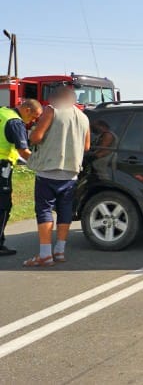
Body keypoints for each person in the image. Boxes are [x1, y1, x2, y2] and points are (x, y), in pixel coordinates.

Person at [23, 87, 90, 267]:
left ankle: (45, 255)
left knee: (44, 210)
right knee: (64, 210)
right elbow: (86, 147)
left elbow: (37, 137)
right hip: (71, 172)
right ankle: (59, 251)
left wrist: (33, 133)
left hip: (49, 169)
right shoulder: (84, 117)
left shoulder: (52, 110)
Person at [0, 99, 43, 256]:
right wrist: (41, 165)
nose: (33, 121)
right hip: (2, 167)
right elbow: (23, 151)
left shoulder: (3, 112)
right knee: (3, 205)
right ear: (27, 110)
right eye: (34, 117)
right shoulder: (15, 122)